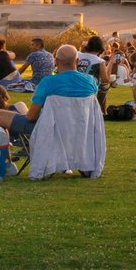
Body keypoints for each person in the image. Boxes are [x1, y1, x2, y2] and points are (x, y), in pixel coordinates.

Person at [24, 45, 107, 178]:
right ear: (78, 61)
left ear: (56, 61)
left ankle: (6, 163)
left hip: (52, 129)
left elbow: (31, 116)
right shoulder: (90, 82)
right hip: (81, 130)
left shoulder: (48, 83)